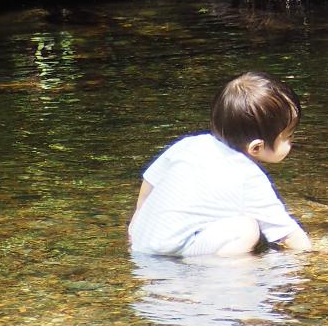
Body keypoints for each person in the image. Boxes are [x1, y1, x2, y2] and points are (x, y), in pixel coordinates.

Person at [128, 72, 312, 258]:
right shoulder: (248, 177)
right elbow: (287, 234)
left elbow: (150, 180)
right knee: (247, 229)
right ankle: (215, 272)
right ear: (256, 147)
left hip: (141, 240)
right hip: (173, 253)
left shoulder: (190, 144)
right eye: (288, 136)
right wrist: (309, 257)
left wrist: (137, 218)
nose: (292, 141)